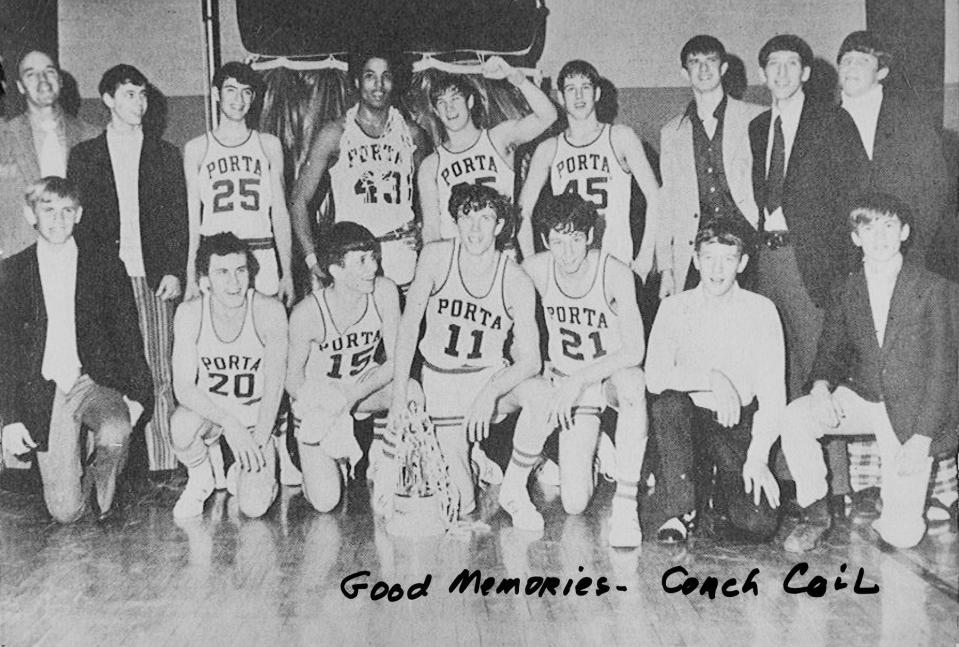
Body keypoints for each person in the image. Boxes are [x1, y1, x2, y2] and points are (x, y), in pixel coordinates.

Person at [755, 192, 958, 551]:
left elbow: (945, 371)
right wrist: (819, 388)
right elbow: (829, 352)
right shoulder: (846, 288)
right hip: (863, 396)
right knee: (796, 416)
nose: (879, 237)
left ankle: (898, 505)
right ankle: (815, 514)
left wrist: (922, 438)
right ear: (855, 237)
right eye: (869, 227)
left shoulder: (933, 288)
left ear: (905, 232)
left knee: (902, 535)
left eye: (889, 226)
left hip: (911, 414)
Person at [389, 183, 547, 521]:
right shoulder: (435, 257)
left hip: (487, 381)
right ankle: (473, 457)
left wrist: (490, 392)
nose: (475, 228)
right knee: (460, 506)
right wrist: (400, 393)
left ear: (500, 225)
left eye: (486, 218)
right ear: (455, 221)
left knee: (540, 393)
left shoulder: (516, 279)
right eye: (467, 216)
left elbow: (532, 360)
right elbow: (408, 327)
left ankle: (514, 490)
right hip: (441, 383)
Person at [0, 177, 152, 522]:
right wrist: (10, 418)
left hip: (92, 381)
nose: (58, 219)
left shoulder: (105, 266)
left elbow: (128, 335)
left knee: (115, 430)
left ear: (79, 214)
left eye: (67, 210)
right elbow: (5, 352)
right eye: (48, 210)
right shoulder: (12, 272)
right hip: (46, 389)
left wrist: (139, 395)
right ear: (30, 214)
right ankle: (76, 471)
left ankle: (103, 478)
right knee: (66, 512)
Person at [68, 64, 188, 473]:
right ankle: (104, 469)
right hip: (104, 281)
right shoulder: (84, 156)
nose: (139, 103)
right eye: (129, 95)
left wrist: (174, 269)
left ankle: (164, 465)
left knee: (159, 370)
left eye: (142, 95)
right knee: (105, 372)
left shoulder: (166, 154)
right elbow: (78, 227)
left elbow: (178, 219)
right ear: (108, 100)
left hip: (152, 278)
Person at [509, 193, 647, 546]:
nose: (567, 252)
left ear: (590, 236)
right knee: (574, 503)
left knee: (634, 384)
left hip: (607, 377)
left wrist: (581, 379)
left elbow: (634, 349)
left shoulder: (615, 272)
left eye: (575, 240)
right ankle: (598, 447)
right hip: (571, 383)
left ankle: (626, 505)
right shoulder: (535, 270)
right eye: (557, 241)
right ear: (544, 241)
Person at [646, 217, 784, 543]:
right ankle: (680, 510)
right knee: (668, 403)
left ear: (743, 263)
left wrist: (759, 456)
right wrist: (711, 378)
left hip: (736, 426)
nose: (717, 269)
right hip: (688, 427)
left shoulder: (761, 310)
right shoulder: (674, 307)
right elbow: (653, 378)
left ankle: (716, 490)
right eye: (709, 258)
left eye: (728, 259)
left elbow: (773, 395)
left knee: (758, 524)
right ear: (695, 259)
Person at [747, 35, 869, 400]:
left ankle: (833, 459)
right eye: (773, 65)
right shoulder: (758, 127)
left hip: (813, 265)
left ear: (806, 73)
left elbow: (853, 193)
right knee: (775, 373)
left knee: (820, 373)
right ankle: (786, 458)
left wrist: (847, 267)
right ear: (764, 74)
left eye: (791, 64)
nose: (782, 73)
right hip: (767, 260)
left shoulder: (832, 120)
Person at [287, 221, 423, 513]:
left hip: (361, 393)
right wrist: (325, 402)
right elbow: (291, 379)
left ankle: (385, 458)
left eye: (373, 257)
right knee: (326, 502)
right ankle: (314, 461)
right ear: (336, 269)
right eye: (361, 261)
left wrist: (353, 394)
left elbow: (398, 359)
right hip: (321, 406)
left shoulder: (384, 292)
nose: (372, 267)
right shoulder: (307, 313)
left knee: (411, 391)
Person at [170, 233, 287, 519]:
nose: (234, 283)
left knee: (253, 507)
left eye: (240, 271)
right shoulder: (189, 313)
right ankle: (200, 477)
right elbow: (183, 388)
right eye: (222, 272)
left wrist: (258, 440)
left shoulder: (269, 310)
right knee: (181, 425)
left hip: (256, 420)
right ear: (205, 279)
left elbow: (274, 388)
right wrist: (228, 422)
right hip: (215, 417)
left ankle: (249, 466)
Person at [290, 50, 429, 289]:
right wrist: (311, 257)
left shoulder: (412, 133)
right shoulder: (335, 134)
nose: (378, 85)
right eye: (369, 76)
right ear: (356, 81)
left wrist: (423, 228)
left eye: (386, 76)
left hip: (401, 258)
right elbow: (298, 200)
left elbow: (430, 193)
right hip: (354, 258)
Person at [518, 59, 659, 281]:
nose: (579, 96)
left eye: (585, 88)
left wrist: (645, 258)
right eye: (570, 89)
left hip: (616, 263)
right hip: (569, 266)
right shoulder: (549, 148)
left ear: (597, 93)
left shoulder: (620, 137)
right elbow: (521, 211)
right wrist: (531, 263)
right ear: (561, 98)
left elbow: (656, 197)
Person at [658, 36, 763, 296]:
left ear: (724, 68)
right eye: (695, 62)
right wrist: (666, 269)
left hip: (751, 246)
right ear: (685, 73)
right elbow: (666, 203)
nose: (703, 69)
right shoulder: (671, 132)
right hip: (697, 249)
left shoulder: (756, 117)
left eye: (711, 60)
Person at [183, 61, 293, 304]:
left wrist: (288, 273)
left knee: (267, 335)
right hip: (217, 260)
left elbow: (280, 214)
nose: (238, 99)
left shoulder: (268, 145)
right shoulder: (197, 149)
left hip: (261, 255)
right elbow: (193, 222)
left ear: (253, 97)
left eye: (246, 92)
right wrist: (190, 275)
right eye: (231, 90)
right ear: (216, 94)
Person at [836, 31, 949, 264]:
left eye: (863, 61)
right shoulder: (823, 122)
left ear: (882, 72)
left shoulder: (910, 119)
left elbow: (933, 191)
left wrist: (912, 251)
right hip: (846, 256)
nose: (852, 67)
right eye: (846, 61)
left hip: (905, 251)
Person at [418, 56, 556, 243]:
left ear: (470, 102)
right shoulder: (431, 165)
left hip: (501, 251)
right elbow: (431, 230)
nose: (449, 108)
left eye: (455, 99)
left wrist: (514, 76)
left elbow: (548, 116)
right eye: (441, 102)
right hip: (458, 257)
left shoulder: (498, 138)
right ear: (435, 110)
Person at [0, 50, 100, 261]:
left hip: (81, 258)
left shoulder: (93, 136)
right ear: (19, 86)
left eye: (49, 71)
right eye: (31, 74)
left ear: (61, 81)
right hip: (18, 259)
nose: (42, 80)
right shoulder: (4, 136)